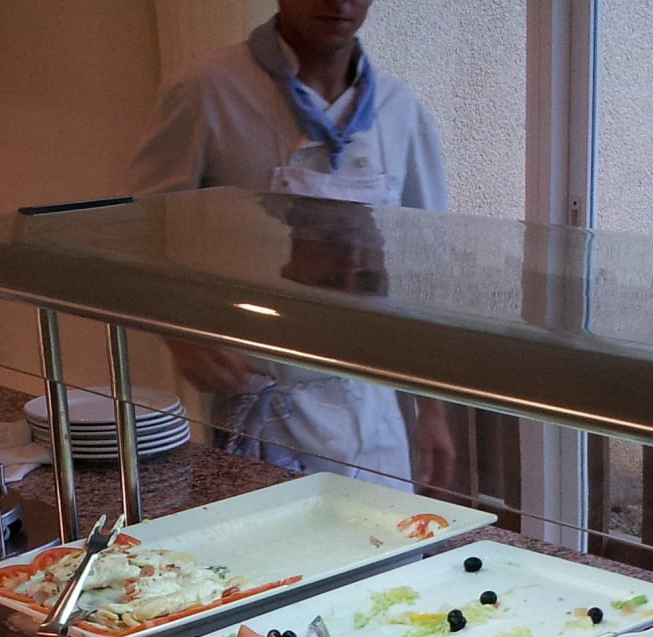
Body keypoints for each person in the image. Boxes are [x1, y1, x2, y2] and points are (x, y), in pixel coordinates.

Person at [127, 0, 456, 492]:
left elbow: (424, 271)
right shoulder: (207, 90)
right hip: (260, 410)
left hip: (374, 414)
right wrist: (179, 334)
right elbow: (138, 233)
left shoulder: (401, 110)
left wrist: (433, 411)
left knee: (389, 538)